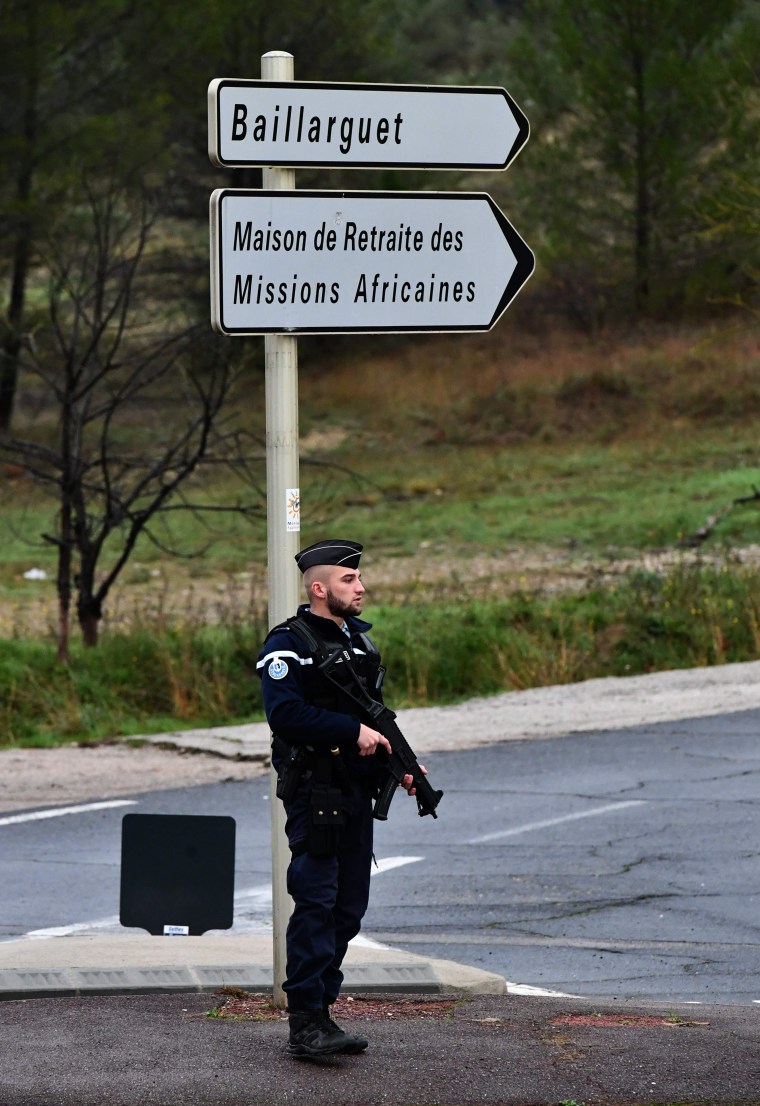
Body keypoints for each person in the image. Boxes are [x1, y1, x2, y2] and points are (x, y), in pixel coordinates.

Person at [257, 538, 420, 1058]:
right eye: (350, 580)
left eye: (359, 579)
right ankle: (305, 1022)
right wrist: (349, 731)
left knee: (349, 908)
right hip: (315, 790)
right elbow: (285, 715)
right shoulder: (289, 643)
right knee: (317, 903)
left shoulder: (358, 643)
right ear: (319, 587)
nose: (361, 587)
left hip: (354, 789)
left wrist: (407, 764)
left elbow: (376, 712)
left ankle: (323, 1011)